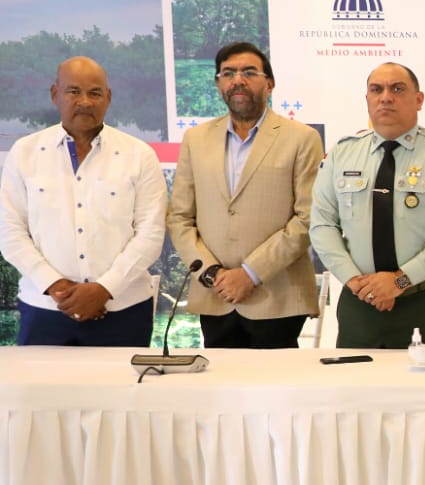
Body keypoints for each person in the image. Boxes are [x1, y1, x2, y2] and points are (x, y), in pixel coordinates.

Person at [309, 62, 425, 348]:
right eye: (376, 90)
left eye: (397, 89)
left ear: (419, 99)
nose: (386, 97)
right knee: (357, 377)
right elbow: (322, 224)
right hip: (361, 304)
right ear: (367, 99)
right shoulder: (342, 153)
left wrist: (400, 281)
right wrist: (354, 281)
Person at [0, 56, 166, 345]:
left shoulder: (139, 155)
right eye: (73, 91)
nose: (85, 102)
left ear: (108, 97)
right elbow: (9, 230)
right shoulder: (24, 152)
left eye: (95, 93)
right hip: (45, 309)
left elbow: (151, 233)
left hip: (124, 309)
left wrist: (104, 289)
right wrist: (57, 286)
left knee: (122, 378)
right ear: (55, 94)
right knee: (40, 378)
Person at [167, 42, 323, 348]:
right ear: (218, 84)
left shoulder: (302, 138)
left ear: (270, 84)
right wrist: (211, 273)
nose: (238, 80)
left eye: (249, 72)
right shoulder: (196, 139)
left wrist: (251, 273)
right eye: (228, 73)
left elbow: (308, 218)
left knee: (277, 380)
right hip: (215, 294)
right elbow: (179, 217)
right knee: (219, 379)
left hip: (278, 296)